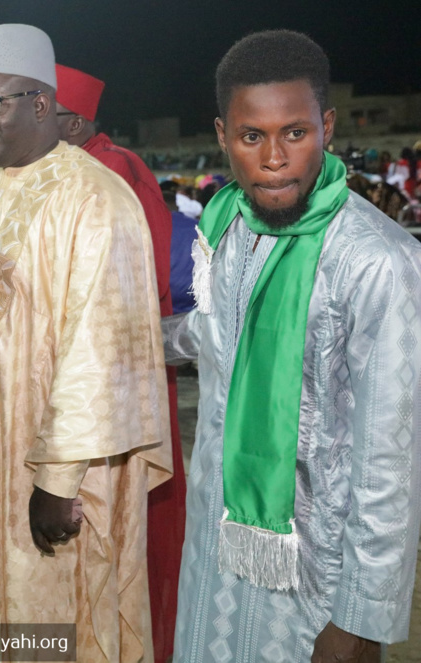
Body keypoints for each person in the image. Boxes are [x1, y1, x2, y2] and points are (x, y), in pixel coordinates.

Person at [165, 30, 421, 662]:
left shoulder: (376, 261)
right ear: (224, 137)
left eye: (295, 133)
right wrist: (128, 339)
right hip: (220, 550)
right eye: (253, 137)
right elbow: (216, 336)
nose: (274, 158)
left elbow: (390, 461)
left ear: (327, 127)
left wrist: (358, 620)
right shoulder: (229, 228)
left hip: (319, 579)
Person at [0, 24, 172, 662]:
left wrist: (60, 479)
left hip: (54, 470)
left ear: (42, 104)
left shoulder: (98, 198)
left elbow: (102, 347)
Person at [54, 63, 185, 663]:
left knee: (125, 526)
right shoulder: (102, 164)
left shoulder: (106, 173)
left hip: (115, 374)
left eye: (43, 116)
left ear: (75, 122)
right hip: (123, 370)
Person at [161, 182, 197, 315]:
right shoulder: (198, 226)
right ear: (176, 205)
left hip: (165, 304)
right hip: (196, 303)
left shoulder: (150, 229)